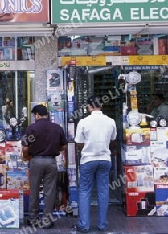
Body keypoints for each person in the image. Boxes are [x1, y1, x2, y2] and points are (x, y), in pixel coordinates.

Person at [73, 95, 117, 233]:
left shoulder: (84, 122)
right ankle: (102, 224)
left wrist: (87, 149)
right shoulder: (110, 121)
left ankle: (84, 224)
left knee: (85, 191)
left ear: (89, 107)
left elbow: (79, 142)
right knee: (103, 190)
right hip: (105, 159)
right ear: (101, 106)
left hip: (88, 159)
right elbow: (113, 140)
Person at [21, 104, 67, 229]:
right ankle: (47, 221)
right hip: (51, 162)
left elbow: (25, 148)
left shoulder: (32, 128)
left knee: (34, 190)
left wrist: (26, 156)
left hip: (36, 161)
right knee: (50, 192)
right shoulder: (57, 128)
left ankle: (33, 219)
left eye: (34, 115)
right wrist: (53, 147)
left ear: (37, 115)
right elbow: (63, 146)